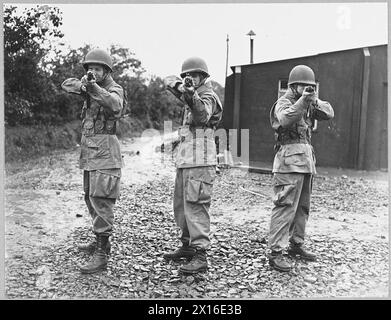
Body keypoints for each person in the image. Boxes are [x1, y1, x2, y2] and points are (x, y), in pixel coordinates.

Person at [61, 48, 125, 274]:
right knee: (90, 197)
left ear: (107, 71)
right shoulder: (88, 85)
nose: (92, 72)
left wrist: (94, 87)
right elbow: (66, 84)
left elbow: (115, 105)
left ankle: (102, 254)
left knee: (102, 199)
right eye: (89, 68)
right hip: (89, 153)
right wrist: (84, 85)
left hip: (106, 153)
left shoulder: (114, 88)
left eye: (97, 68)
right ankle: (100, 241)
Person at [267, 65, 334, 272]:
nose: (307, 89)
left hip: (305, 162)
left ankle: (296, 245)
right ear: (293, 86)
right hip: (288, 163)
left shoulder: (307, 102)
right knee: (285, 206)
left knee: (302, 208)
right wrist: (303, 101)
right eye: (303, 86)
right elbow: (285, 119)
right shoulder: (284, 102)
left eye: (310, 86)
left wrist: (313, 99)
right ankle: (276, 252)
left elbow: (329, 113)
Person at [163, 57, 223, 274]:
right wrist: (183, 88)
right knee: (181, 203)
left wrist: (190, 93)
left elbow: (202, 114)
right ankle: (187, 245)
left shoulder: (208, 95)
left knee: (197, 203)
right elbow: (167, 80)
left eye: (195, 75)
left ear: (204, 77)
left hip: (201, 156)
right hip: (187, 156)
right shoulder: (189, 93)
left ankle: (200, 254)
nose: (191, 79)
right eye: (188, 76)